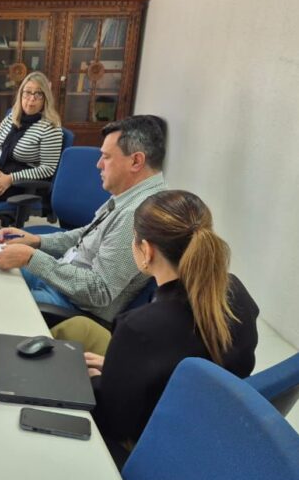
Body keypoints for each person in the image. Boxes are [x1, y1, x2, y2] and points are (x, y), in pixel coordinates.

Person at [56, 190, 259, 453]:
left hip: (148, 442)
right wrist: (122, 369)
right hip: (201, 422)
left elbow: (113, 424)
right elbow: (193, 365)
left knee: (70, 360)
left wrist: (96, 379)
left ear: (146, 251)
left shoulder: (139, 328)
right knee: (78, 329)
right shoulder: (236, 291)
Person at [0, 115, 168, 322]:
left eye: (107, 157)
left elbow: (99, 291)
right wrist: (37, 241)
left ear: (136, 161)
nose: (99, 164)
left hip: (73, 307)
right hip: (63, 280)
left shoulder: (137, 214)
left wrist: (32, 258)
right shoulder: (130, 196)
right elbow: (86, 235)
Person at [0, 71, 64, 203]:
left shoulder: (50, 127)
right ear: (21, 94)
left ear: (45, 98)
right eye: (27, 92)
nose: (31, 99)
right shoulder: (13, 117)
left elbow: (48, 169)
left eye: (38, 94)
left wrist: (11, 178)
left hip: (22, 184)